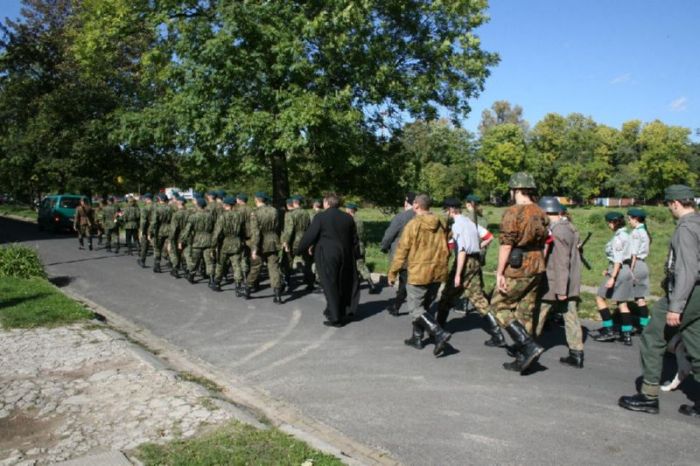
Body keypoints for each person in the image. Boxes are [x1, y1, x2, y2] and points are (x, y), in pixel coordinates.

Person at [619, 184, 700, 417]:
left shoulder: (685, 228)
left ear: (675, 203)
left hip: (685, 292)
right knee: (696, 344)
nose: (669, 209)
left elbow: (686, 270)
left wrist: (676, 306)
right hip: (697, 294)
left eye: (668, 205)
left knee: (653, 338)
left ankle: (648, 396)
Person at [489, 172, 548, 373]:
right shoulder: (540, 211)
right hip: (537, 264)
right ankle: (524, 357)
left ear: (516, 189)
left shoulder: (513, 212)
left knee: (498, 305)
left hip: (518, 266)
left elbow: (506, 244)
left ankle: (527, 345)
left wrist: (499, 272)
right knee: (526, 310)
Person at [436, 198, 504, 347]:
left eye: (446, 211)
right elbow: (489, 237)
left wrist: (458, 274)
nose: (445, 214)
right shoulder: (470, 222)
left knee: (447, 295)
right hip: (476, 261)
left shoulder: (457, 225)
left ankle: (438, 330)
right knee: (478, 298)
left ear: (451, 210)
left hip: (464, 263)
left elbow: (461, 251)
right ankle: (497, 334)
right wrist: (478, 246)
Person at [388, 194, 450, 355]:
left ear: (416, 205)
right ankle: (417, 338)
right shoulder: (441, 222)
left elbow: (401, 251)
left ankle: (439, 333)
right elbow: (448, 243)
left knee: (415, 308)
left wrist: (392, 272)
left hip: (419, 272)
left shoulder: (413, 224)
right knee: (425, 307)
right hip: (437, 270)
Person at [534, 197, 585, 368]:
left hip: (556, 282)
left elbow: (562, 262)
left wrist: (561, 289)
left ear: (546, 213)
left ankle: (527, 347)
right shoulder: (569, 227)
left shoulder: (558, 231)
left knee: (538, 314)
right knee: (571, 317)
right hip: (569, 280)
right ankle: (576, 353)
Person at [296, 193, 360, 326]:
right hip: (346, 254)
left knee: (329, 284)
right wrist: (357, 255)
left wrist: (299, 249)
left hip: (327, 254)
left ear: (327, 203)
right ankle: (341, 310)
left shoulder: (321, 217)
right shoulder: (348, 217)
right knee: (342, 282)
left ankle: (335, 317)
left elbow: (310, 235)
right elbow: (354, 239)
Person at [592, 211, 635, 345]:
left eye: (610, 222)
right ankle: (627, 335)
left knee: (600, 298)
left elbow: (617, 259)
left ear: (616, 222)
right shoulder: (627, 234)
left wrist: (612, 276)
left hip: (618, 270)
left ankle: (609, 329)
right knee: (622, 303)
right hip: (626, 269)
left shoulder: (618, 238)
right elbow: (631, 255)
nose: (609, 225)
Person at [380, 192, 416, 316]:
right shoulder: (424, 216)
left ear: (406, 202)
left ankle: (397, 306)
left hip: (402, 253)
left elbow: (389, 235)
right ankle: (398, 304)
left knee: (404, 280)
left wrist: (384, 247)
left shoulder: (401, 217)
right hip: (419, 254)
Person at [246, 192, 283, 303]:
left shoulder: (255, 213)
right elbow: (277, 226)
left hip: (262, 242)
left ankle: (248, 289)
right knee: (274, 267)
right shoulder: (274, 210)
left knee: (256, 266)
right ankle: (277, 293)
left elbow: (255, 232)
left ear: (257, 199)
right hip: (273, 240)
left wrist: (254, 248)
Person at [212, 196, 248, 293]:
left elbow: (217, 233)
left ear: (226, 205)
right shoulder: (240, 215)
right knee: (236, 264)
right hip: (237, 242)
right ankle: (238, 285)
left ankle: (217, 283)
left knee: (220, 263)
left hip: (225, 242)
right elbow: (243, 230)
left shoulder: (222, 216)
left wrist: (213, 246)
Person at [345, 203, 380, 294]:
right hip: (360, 245)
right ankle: (359, 284)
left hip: (354, 246)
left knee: (360, 266)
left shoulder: (350, 220)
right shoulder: (359, 219)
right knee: (360, 265)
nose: (345, 210)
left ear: (350, 210)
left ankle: (371, 284)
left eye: (346, 208)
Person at [282, 195, 314, 291]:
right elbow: (310, 227)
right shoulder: (306, 213)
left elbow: (289, 230)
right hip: (305, 239)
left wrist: (286, 242)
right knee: (307, 261)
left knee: (288, 261)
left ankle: (287, 282)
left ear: (294, 202)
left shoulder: (290, 214)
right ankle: (310, 283)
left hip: (294, 240)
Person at [181, 196, 215, 285]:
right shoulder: (210, 216)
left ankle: (191, 276)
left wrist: (182, 240)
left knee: (195, 260)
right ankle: (211, 279)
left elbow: (187, 230)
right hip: (208, 240)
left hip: (197, 241)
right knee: (209, 261)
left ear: (198, 205)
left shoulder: (193, 216)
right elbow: (214, 229)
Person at [628, 208, 652, 332]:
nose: (629, 221)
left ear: (636, 219)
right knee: (640, 297)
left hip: (636, 264)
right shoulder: (644, 231)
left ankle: (644, 327)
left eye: (630, 219)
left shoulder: (636, 233)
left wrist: (630, 270)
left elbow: (633, 253)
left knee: (639, 299)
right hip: (643, 264)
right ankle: (644, 324)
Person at [149, 193, 173, 273]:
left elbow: (154, 222)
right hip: (169, 230)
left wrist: (150, 231)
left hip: (159, 230)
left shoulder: (157, 209)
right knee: (169, 247)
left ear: (160, 200)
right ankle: (172, 263)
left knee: (157, 248)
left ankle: (157, 265)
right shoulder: (171, 208)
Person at [169, 195, 190, 278]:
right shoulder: (190, 213)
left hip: (178, 236)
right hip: (188, 235)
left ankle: (175, 270)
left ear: (179, 202)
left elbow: (173, 229)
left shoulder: (176, 214)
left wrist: (170, 240)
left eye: (177, 201)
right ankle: (188, 270)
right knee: (187, 253)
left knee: (175, 253)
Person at [137, 193, 154, 268]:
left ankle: (142, 260)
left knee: (144, 245)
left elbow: (143, 221)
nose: (143, 200)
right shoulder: (157, 206)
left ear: (147, 199)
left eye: (144, 198)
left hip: (147, 229)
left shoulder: (145, 208)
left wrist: (141, 230)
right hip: (156, 228)